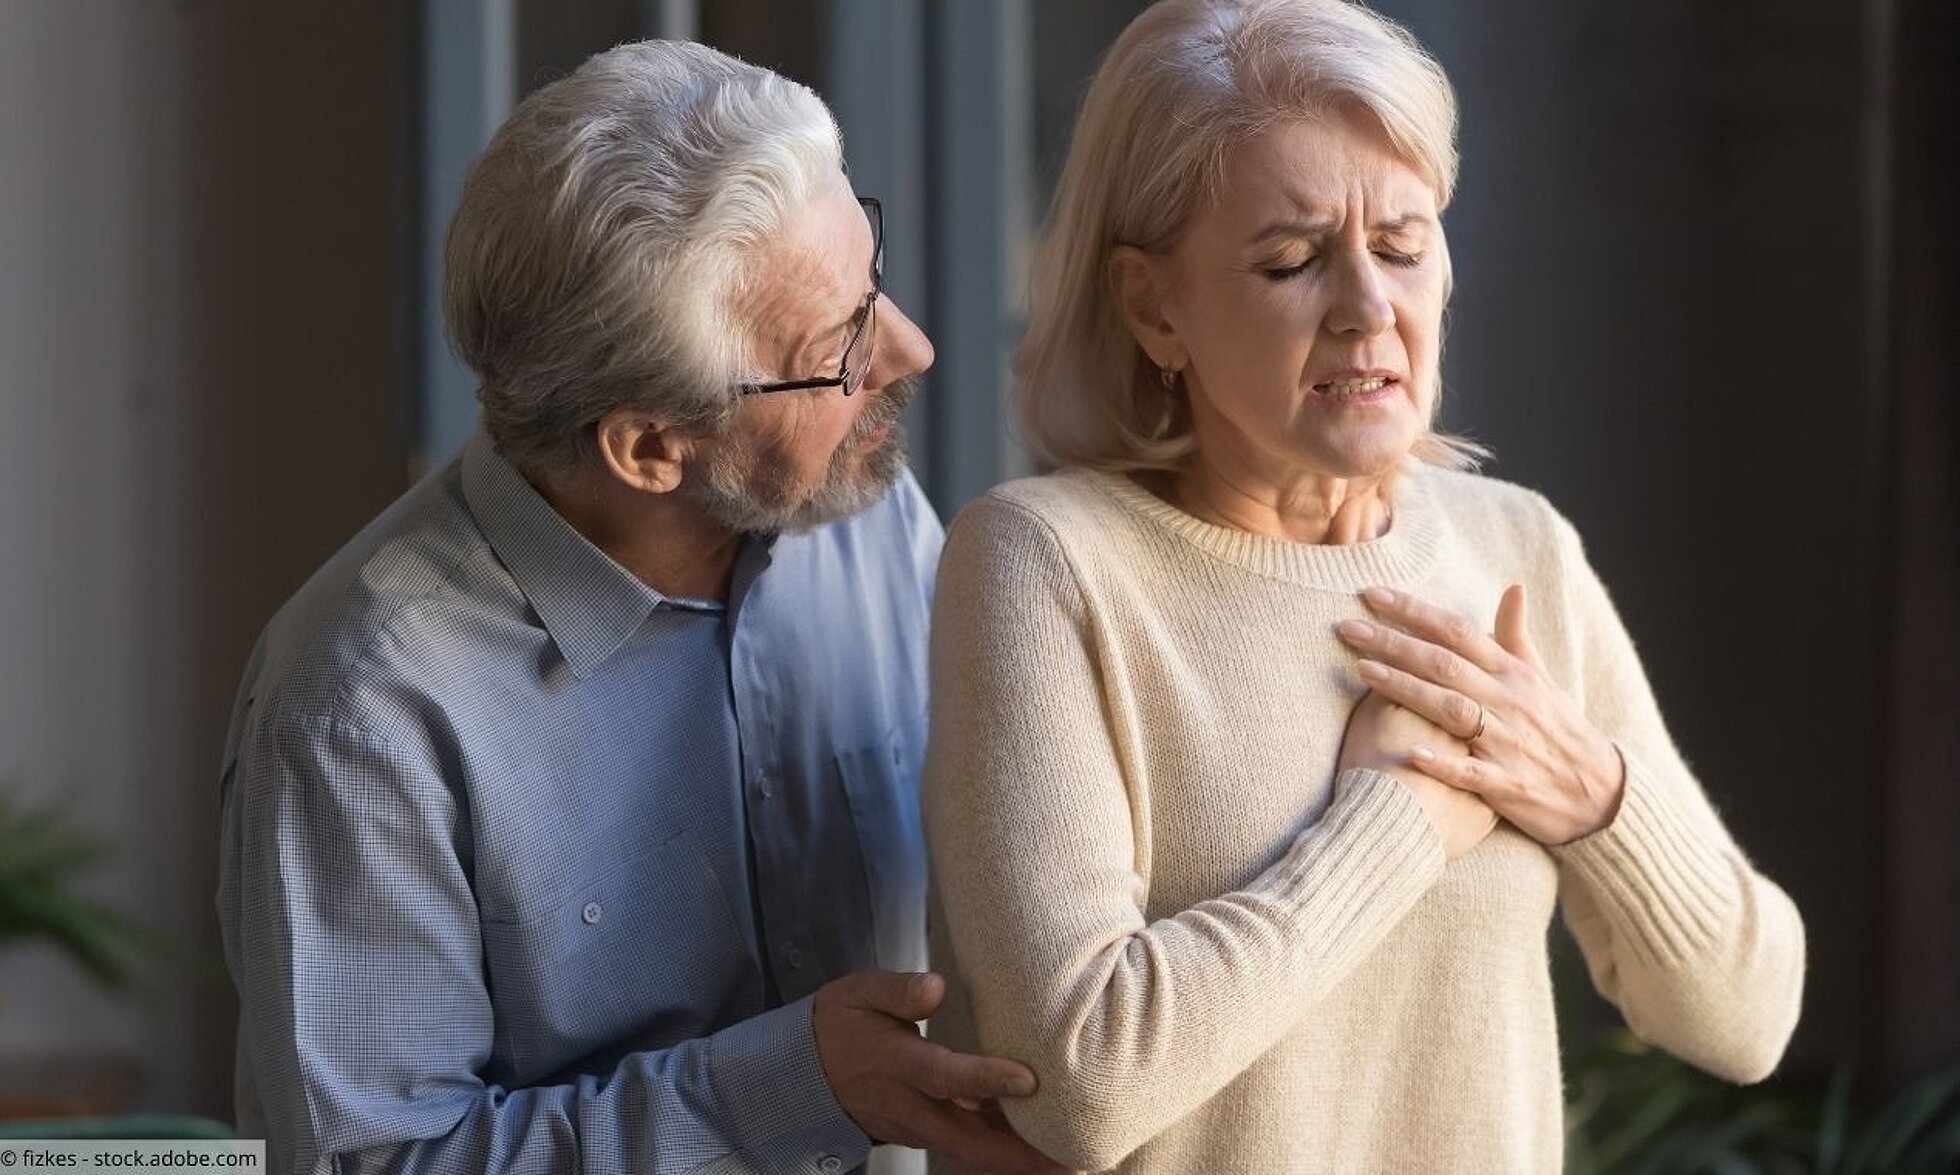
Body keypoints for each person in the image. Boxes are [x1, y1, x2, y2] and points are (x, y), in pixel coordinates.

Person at [920, 1, 1806, 1171]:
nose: (1367, 307)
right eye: (1290, 260)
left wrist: (1588, 785)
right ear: (1151, 305)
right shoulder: (1042, 562)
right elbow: (1080, 1080)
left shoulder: (1515, 549)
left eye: (1401, 244)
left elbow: (1745, 1019)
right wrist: (1395, 820)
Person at [216, 40, 1063, 1175]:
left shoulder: (859, 510)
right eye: (841, 349)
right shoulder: (362, 712)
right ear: (652, 446)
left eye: (872, 281)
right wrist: (796, 1086)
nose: (912, 346)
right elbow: (372, 1161)